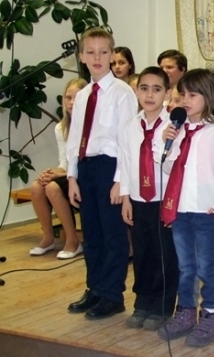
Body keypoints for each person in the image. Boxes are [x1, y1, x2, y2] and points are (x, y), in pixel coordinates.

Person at [155, 68, 214, 347]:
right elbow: (168, 167)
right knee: (185, 265)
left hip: (206, 211)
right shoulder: (179, 131)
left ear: (208, 96)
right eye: (182, 95)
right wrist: (167, 142)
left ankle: (211, 315)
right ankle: (186, 311)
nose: (185, 100)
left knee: (207, 266)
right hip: (181, 210)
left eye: (192, 95)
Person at [66, 27, 138, 320]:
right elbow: (74, 137)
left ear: (112, 55)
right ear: (82, 56)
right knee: (92, 233)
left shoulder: (122, 93)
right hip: (86, 166)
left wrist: (120, 180)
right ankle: (94, 287)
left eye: (103, 52)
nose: (97, 58)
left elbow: (126, 140)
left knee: (112, 235)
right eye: (91, 52)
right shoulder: (83, 95)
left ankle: (112, 294)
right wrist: (72, 176)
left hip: (110, 167)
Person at [120, 66, 179, 331]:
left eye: (156, 89)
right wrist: (125, 197)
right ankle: (142, 302)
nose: (149, 95)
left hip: (163, 200)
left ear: (167, 93)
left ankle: (162, 305)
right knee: (142, 253)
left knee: (164, 254)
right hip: (137, 198)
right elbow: (125, 163)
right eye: (144, 89)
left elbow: (173, 167)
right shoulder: (131, 127)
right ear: (136, 91)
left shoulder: (173, 127)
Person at [29, 78, 87, 259]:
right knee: (37, 186)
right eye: (68, 98)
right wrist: (53, 173)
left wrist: (57, 177)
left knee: (52, 187)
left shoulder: (91, 126)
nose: (71, 102)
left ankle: (73, 241)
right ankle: (48, 238)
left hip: (85, 174)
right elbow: (65, 161)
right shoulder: (61, 128)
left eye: (76, 98)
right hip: (70, 174)